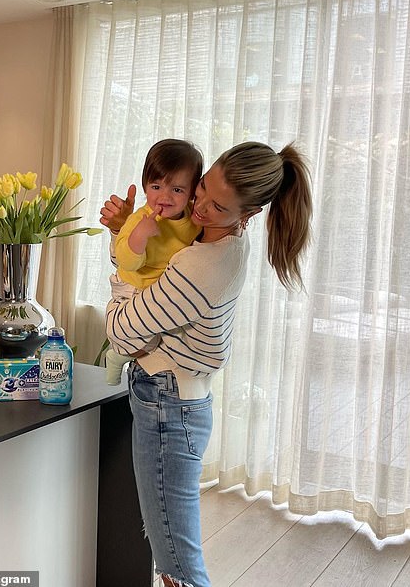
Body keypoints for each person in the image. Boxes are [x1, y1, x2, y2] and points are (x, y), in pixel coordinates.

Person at [100, 141, 312, 587]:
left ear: (249, 213)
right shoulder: (221, 238)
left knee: (177, 564)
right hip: (178, 399)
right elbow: (160, 270)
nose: (197, 207)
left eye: (217, 206)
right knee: (171, 552)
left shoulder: (203, 264)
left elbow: (121, 332)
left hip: (167, 404)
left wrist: (121, 274)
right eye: (199, 191)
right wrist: (129, 230)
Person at [104, 138, 203, 385]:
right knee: (146, 342)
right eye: (156, 186)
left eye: (177, 190)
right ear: (145, 186)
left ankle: (120, 354)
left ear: (192, 193)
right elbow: (126, 261)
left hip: (158, 291)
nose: (165, 197)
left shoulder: (193, 219)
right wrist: (140, 235)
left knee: (162, 334)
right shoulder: (140, 219)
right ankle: (117, 356)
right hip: (132, 288)